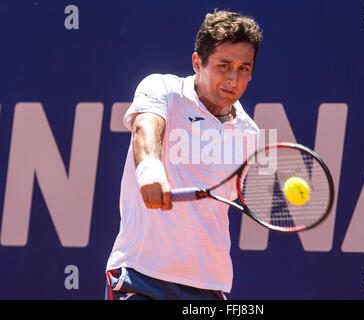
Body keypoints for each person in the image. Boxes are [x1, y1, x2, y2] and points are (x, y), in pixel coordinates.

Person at [105, 9, 263, 300]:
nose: (233, 79)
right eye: (224, 66)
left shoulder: (249, 134)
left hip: (209, 284)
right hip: (142, 274)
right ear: (197, 63)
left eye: (243, 69)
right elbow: (146, 126)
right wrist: (151, 171)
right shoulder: (162, 89)